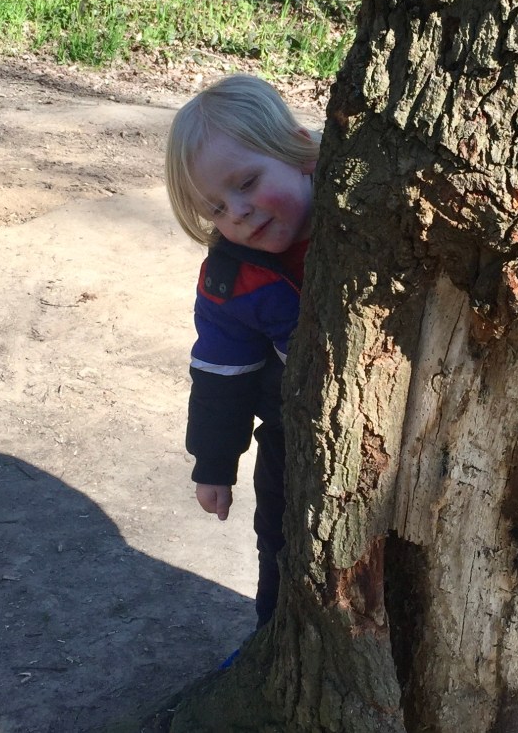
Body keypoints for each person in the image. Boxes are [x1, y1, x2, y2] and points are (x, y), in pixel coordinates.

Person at [164, 73, 319, 628]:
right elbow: (219, 377)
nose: (238, 214)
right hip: (289, 432)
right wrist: (213, 466)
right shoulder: (231, 280)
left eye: (248, 183)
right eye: (217, 209)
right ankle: (274, 641)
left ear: (300, 150)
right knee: (279, 540)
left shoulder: (361, 217)